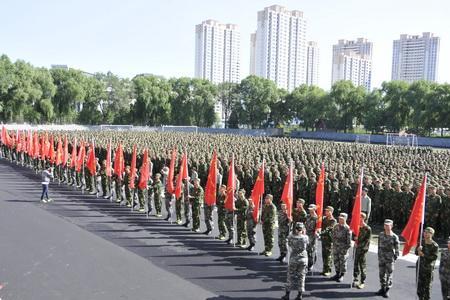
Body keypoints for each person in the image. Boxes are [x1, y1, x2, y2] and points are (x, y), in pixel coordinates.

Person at [281, 222, 309, 300]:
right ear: (302, 229)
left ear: (295, 229)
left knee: (290, 276)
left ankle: (287, 295)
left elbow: (288, 243)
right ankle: (300, 295)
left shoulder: (291, 237)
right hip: (303, 258)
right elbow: (308, 243)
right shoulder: (305, 237)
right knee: (302, 276)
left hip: (294, 257)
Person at [377, 219, 400, 298]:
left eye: (388, 225)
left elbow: (397, 249)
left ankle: (387, 290)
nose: (386, 227)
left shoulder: (394, 237)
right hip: (381, 257)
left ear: (391, 226)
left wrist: (394, 258)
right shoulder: (381, 234)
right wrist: (379, 254)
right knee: (381, 274)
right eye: (385, 225)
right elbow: (379, 246)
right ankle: (382, 288)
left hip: (389, 259)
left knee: (389, 275)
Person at [416, 227, 438, 300]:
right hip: (420, 267)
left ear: (431, 234)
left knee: (427, 288)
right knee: (419, 287)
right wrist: (418, 250)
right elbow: (416, 253)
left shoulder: (434, 245)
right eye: (424, 232)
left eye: (427, 232)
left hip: (428, 269)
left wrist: (424, 255)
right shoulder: (421, 242)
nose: (425, 234)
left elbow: (434, 257)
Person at [352, 212, 372, 289]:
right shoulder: (357, 227)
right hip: (357, 249)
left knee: (362, 266)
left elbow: (367, 241)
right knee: (355, 264)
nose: (358, 218)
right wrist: (354, 239)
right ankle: (355, 279)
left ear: (363, 218)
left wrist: (359, 246)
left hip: (362, 250)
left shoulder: (367, 228)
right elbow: (353, 236)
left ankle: (362, 281)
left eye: (360, 217)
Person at [331, 212, 351, 282]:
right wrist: (334, 244)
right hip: (336, 247)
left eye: (342, 219)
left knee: (342, 263)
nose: (340, 220)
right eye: (339, 218)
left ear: (345, 219)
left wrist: (345, 250)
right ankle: (337, 274)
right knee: (336, 261)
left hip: (343, 249)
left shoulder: (347, 228)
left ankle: (342, 275)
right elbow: (333, 235)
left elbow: (349, 242)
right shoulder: (336, 226)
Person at [320, 206, 337, 276]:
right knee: (324, 255)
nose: (326, 212)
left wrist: (320, 233)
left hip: (329, 240)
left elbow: (328, 229)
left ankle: (328, 270)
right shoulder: (324, 218)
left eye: (328, 211)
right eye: (326, 211)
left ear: (331, 212)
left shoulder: (333, 220)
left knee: (328, 255)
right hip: (323, 239)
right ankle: (324, 269)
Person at [305, 204, 318, 271]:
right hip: (307, 235)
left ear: (314, 209)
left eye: (311, 209)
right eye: (309, 209)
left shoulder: (317, 218)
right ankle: (307, 263)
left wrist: (317, 233)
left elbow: (318, 228)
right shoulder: (307, 216)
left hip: (313, 236)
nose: (310, 210)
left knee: (312, 250)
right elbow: (305, 225)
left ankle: (311, 264)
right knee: (306, 250)